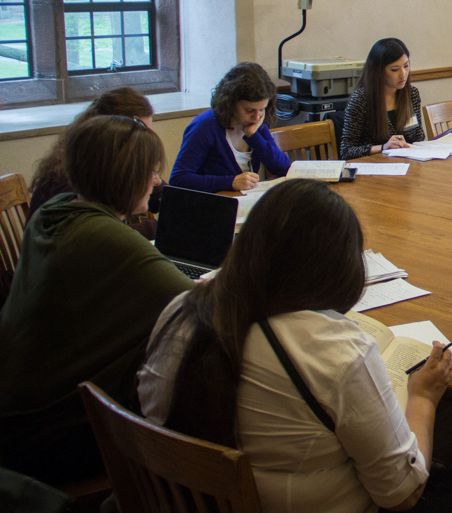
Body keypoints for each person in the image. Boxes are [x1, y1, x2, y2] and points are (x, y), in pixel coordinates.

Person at [139, 180, 452, 513]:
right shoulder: (335, 351)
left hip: (180, 499)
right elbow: (402, 495)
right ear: (338, 269)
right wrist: (423, 398)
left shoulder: (181, 309)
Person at [0, 115, 194, 485]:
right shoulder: (106, 238)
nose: (156, 181)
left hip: (16, 413)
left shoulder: (53, 213)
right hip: (47, 440)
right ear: (125, 177)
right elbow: (198, 305)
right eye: (150, 171)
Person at [29, 87, 162, 238]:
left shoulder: (98, 163)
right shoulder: (70, 181)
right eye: (139, 135)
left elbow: (160, 196)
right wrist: (158, 227)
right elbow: (93, 235)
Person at [170, 62, 291, 192]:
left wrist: (254, 137)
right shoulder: (204, 127)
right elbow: (179, 179)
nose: (257, 117)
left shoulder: (257, 125)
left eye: (262, 109)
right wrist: (230, 182)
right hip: (211, 204)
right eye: (249, 110)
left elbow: (284, 168)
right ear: (230, 103)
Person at [342, 38, 426, 159]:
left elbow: (419, 138)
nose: (403, 74)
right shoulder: (361, 100)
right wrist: (383, 147)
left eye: (406, 66)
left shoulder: (411, 94)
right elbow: (347, 151)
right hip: (373, 169)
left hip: (407, 166)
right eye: (394, 69)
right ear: (379, 71)